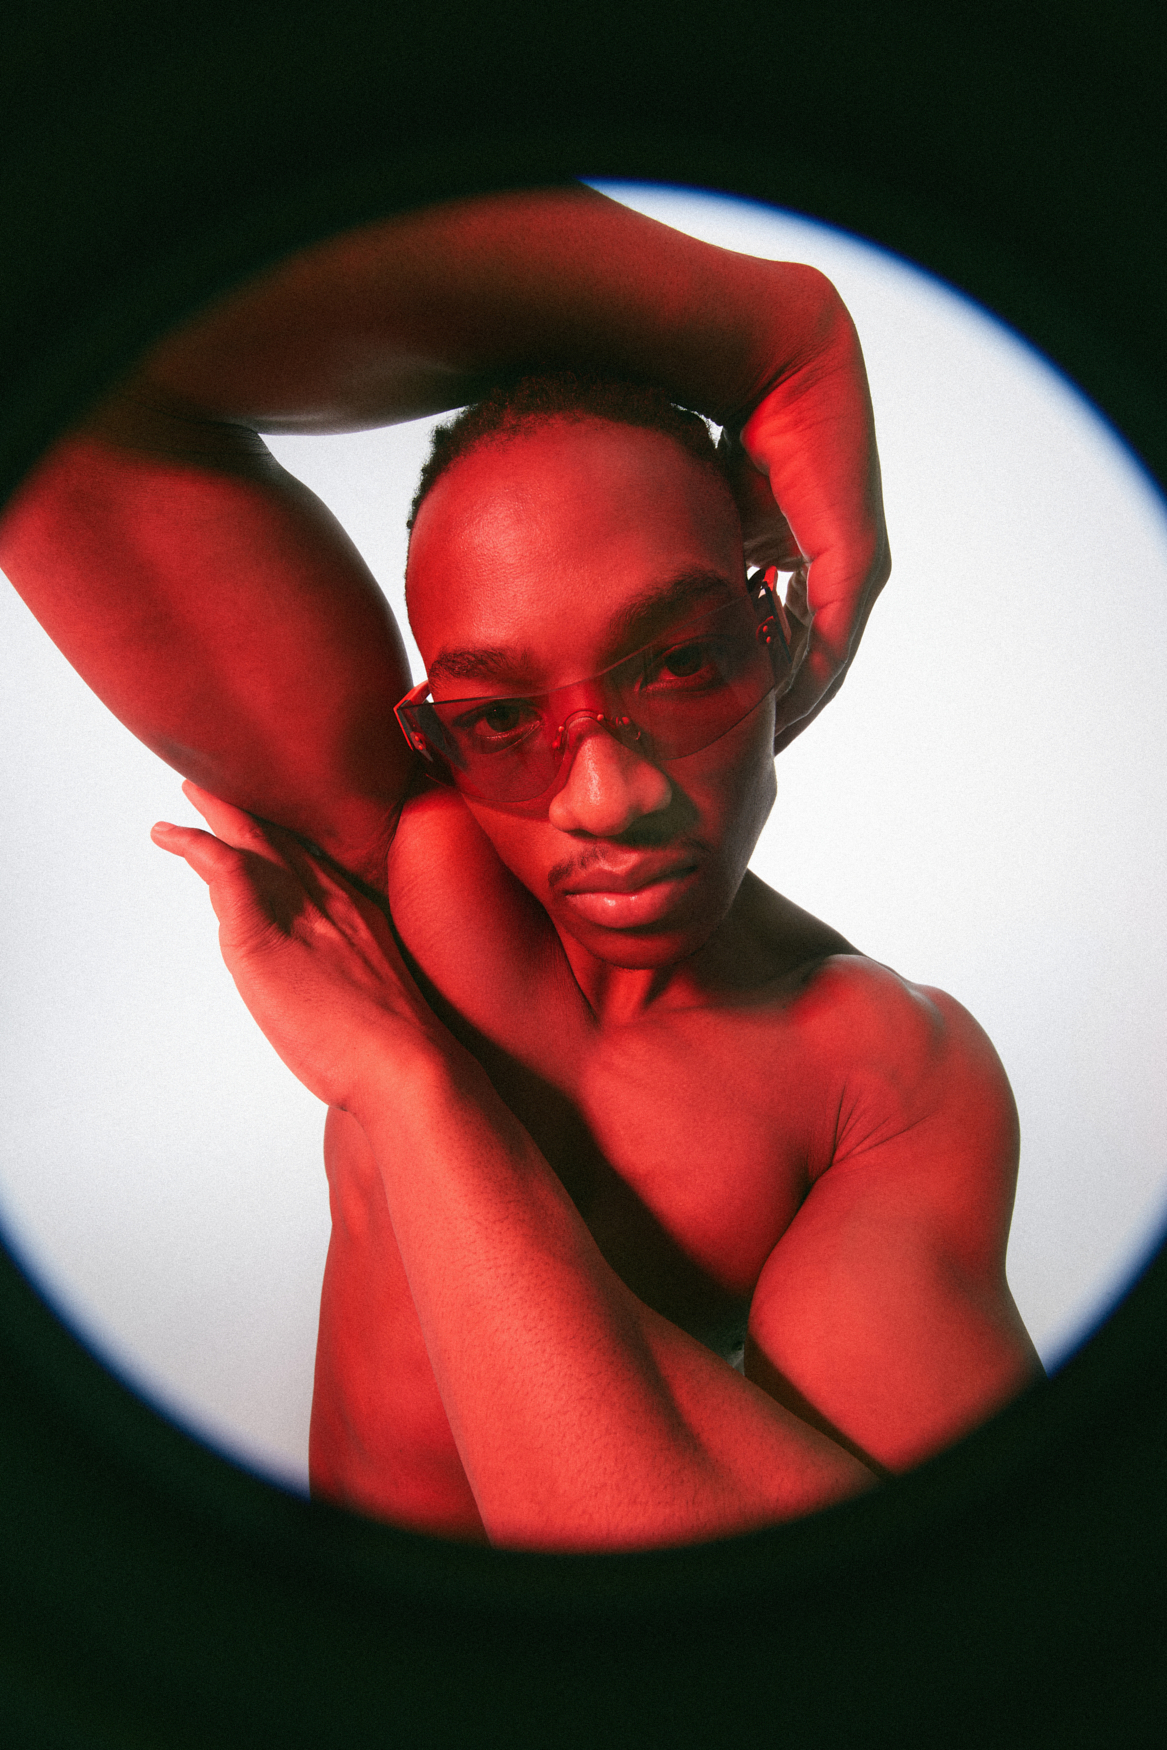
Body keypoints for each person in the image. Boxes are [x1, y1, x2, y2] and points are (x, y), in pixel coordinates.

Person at [0, 185, 1039, 1552]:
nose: (608, 798)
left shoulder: (881, 1085)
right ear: (432, 727)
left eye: (679, 662)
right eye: (498, 719)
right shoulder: (412, 873)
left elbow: (910, 1623)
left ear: (779, 636)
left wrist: (412, 1090)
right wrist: (763, 332)